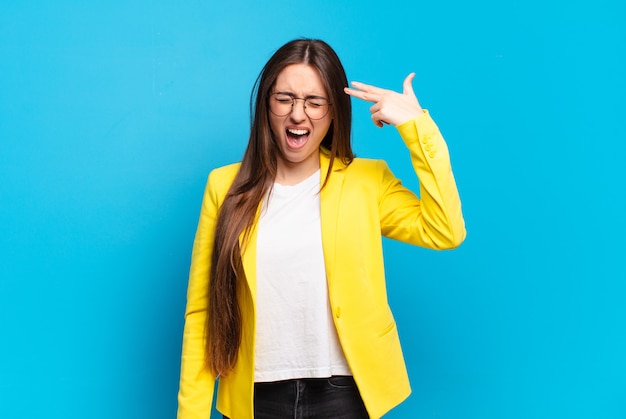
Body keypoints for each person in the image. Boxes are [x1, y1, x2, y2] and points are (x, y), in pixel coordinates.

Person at [177, 38, 466, 419]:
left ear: (333, 112)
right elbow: (203, 312)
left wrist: (417, 127)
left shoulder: (367, 181)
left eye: (314, 102)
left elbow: (444, 230)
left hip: (343, 393)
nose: (299, 115)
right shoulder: (224, 186)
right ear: (266, 105)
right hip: (254, 394)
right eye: (285, 99)